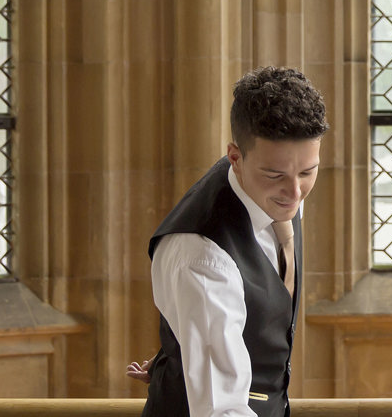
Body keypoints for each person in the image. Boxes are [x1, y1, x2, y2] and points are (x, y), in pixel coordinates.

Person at [130, 67, 326, 417]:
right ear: (235, 157)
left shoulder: (275, 185)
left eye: (308, 172)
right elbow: (221, 411)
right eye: (276, 175)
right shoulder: (203, 257)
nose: (295, 192)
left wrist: (184, 342)